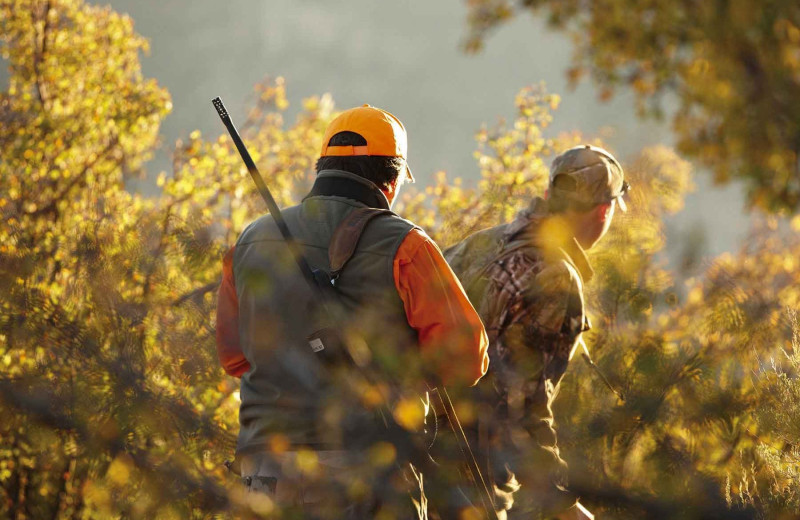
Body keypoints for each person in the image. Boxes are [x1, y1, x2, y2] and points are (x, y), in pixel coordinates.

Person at [215, 104, 489, 518]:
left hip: (264, 465)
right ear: (392, 180)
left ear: (321, 168)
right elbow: (466, 356)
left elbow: (233, 358)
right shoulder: (407, 246)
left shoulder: (250, 241)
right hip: (367, 467)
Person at [445, 145, 630, 519]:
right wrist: (563, 504)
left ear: (548, 195)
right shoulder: (557, 278)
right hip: (474, 478)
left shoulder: (478, 243)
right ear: (604, 211)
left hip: (411, 459)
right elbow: (525, 407)